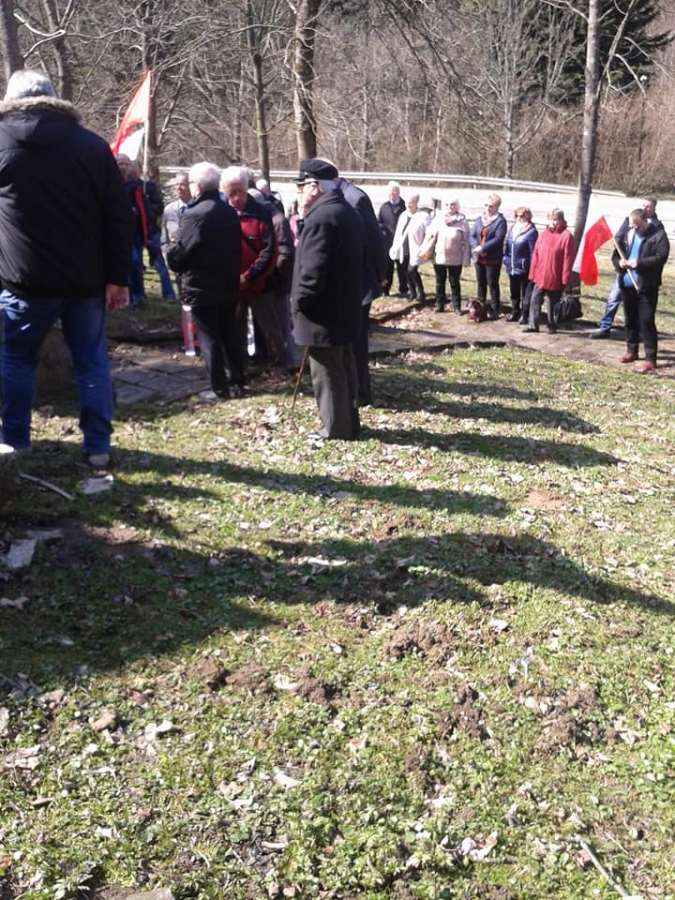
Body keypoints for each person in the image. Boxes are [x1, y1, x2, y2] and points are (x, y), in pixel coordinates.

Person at [0, 69, 132, 468]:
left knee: (15, 359)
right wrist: (117, 278)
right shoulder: (91, 146)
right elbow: (118, 216)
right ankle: (98, 448)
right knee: (91, 363)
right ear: (54, 98)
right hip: (84, 281)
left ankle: (14, 441)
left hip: (23, 280)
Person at [290, 159, 364, 443]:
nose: (299, 192)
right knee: (343, 367)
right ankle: (348, 423)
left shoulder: (321, 216)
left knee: (327, 372)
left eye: (301, 186)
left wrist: (299, 303)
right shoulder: (346, 211)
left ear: (314, 186)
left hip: (323, 312)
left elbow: (312, 271)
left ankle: (334, 429)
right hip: (343, 306)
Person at [167, 162, 244, 400]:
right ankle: (238, 381)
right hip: (228, 283)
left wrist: (171, 247)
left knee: (209, 337)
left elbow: (179, 256)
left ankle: (219, 388)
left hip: (201, 286)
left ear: (197, 186)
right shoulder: (228, 211)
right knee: (229, 333)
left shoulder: (194, 215)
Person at [220, 165, 286, 378]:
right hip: (232, 282)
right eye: (231, 193)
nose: (236, 197)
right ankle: (238, 366)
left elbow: (270, 252)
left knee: (269, 327)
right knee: (235, 327)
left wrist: (249, 276)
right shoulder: (221, 213)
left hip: (259, 281)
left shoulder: (261, 213)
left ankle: (278, 365)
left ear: (246, 188)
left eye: (239, 191)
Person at [333, 164, 387, 407]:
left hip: (358, 283)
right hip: (344, 284)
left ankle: (360, 392)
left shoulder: (355, 199)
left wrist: (381, 273)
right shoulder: (337, 196)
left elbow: (374, 239)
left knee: (357, 343)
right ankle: (349, 388)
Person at [591, 197, 663, 339]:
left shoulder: (657, 227)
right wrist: (620, 261)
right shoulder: (629, 220)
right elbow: (619, 239)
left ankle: (638, 332)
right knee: (613, 298)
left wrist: (642, 263)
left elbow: (659, 254)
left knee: (640, 305)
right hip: (625, 271)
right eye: (643, 205)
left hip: (642, 275)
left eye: (648, 207)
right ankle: (605, 327)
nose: (645, 208)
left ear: (654, 209)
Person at [612, 207, 669, 373]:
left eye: (637, 226)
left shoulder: (658, 236)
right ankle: (632, 350)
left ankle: (650, 358)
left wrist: (639, 263)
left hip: (646, 286)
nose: (634, 229)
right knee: (630, 320)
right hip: (627, 284)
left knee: (647, 321)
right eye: (632, 226)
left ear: (645, 221)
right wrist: (619, 263)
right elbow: (616, 255)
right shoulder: (627, 234)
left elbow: (661, 258)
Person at [523, 208, 575, 334]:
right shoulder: (543, 234)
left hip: (555, 274)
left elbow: (568, 259)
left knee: (553, 301)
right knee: (535, 299)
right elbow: (536, 254)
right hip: (541, 273)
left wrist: (565, 279)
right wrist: (533, 273)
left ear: (561, 220)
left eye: (555, 220)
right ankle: (533, 324)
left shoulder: (566, 236)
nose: (552, 222)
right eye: (550, 219)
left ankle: (552, 324)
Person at [419, 198, 470, 313]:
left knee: (454, 283)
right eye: (447, 204)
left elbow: (466, 241)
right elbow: (429, 237)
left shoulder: (462, 220)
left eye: (452, 204)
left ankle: (456, 306)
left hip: (455, 258)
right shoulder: (438, 219)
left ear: (457, 206)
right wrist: (424, 250)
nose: (449, 207)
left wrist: (466, 259)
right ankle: (439, 304)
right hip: (439, 257)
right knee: (439, 282)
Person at [389, 193, 431, 304]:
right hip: (404, 249)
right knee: (406, 271)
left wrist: (424, 248)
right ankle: (412, 293)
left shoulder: (423, 217)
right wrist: (395, 247)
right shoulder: (403, 215)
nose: (408, 205)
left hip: (416, 249)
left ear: (416, 203)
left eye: (411, 203)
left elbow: (429, 234)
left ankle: (421, 292)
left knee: (412, 270)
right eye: (407, 203)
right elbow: (398, 233)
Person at [469, 193, 507, 315]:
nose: (487, 208)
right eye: (486, 205)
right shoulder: (479, 219)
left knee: (492, 283)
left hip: (492, 257)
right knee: (481, 283)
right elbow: (472, 235)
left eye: (491, 206)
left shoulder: (500, 221)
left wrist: (483, 248)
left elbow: (498, 238)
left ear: (496, 207)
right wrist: (476, 247)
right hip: (478, 257)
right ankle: (480, 307)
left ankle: (495, 308)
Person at [503, 206, 538, 322]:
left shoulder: (531, 231)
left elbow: (533, 252)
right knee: (514, 290)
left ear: (527, 216)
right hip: (512, 265)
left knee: (525, 293)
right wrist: (505, 259)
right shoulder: (513, 228)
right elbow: (508, 246)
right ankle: (514, 312)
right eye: (516, 215)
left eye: (522, 215)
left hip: (524, 267)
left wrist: (532, 267)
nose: (519, 218)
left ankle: (525, 314)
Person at [161, 171, 192, 297]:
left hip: (193, 263)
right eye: (176, 184)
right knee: (182, 297)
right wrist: (167, 255)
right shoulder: (169, 210)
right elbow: (164, 236)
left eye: (182, 184)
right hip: (176, 261)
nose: (178, 187)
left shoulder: (198, 208)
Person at [378, 181, 408, 296]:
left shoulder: (404, 206)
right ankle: (385, 290)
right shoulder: (384, 207)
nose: (392, 194)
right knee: (387, 268)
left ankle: (404, 289)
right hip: (388, 242)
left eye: (394, 191)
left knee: (402, 267)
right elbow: (379, 222)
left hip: (401, 242)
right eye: (390, 192)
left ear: (398, 193)